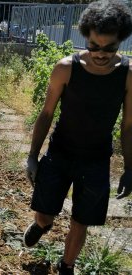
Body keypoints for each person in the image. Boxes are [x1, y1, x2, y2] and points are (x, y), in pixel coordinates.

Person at [24, 0, 132, 274]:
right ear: (86, 37)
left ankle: (67, 266)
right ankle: (41, 225)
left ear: (121, 41)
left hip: (96, 159)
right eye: (95, 46)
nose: (101, 54)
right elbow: (46, 113)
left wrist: (130, 169)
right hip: (60, 152)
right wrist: (32, 156)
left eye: (110, 48)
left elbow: (129, 126)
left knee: (80, 220)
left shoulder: (128, 75)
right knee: (46, 213)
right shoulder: (65, 68)